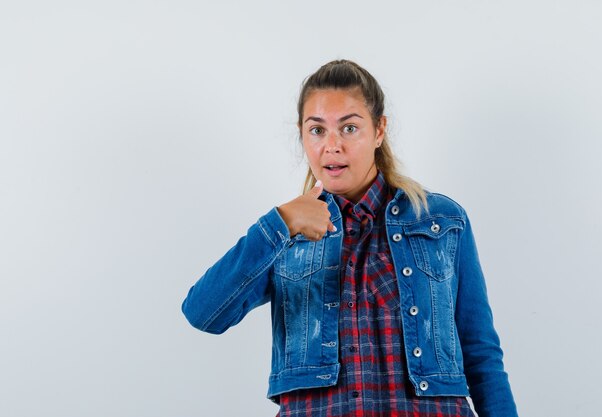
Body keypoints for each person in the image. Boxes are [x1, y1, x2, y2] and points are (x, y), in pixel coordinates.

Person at [182, 59, 518, 417]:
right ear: (302, 135)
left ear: (378, 131)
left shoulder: (441, 221)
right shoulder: (283, 235)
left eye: (349, 128)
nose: (332, 145)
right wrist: (279, 224)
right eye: (317, 130)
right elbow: (203, 313)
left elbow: (480, 353)